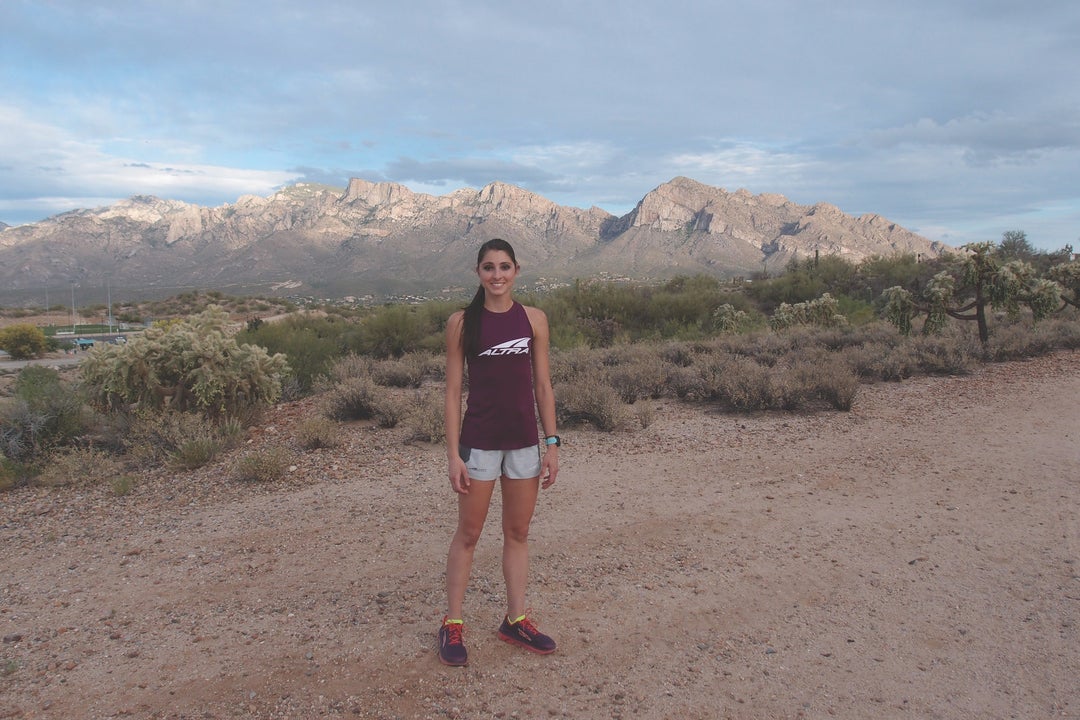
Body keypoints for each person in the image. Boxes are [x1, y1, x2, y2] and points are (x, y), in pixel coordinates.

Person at [438, 238, 561, 667]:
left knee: (518, 533)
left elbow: (542, 385)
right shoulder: (461, 323)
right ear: (478, 272)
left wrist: (552, 443)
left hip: (524, 443)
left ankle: (515, 620)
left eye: (504, 267)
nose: (497, 275)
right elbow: (453, 391)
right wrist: (453, 454)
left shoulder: (534, 320)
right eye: (488, 267)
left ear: (516, 271)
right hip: (479, 444)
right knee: (469, 534)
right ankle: (453, 623)